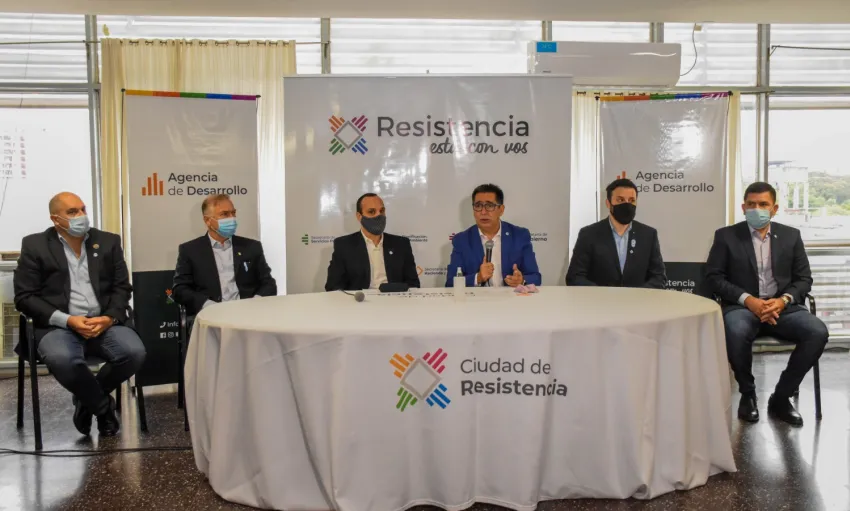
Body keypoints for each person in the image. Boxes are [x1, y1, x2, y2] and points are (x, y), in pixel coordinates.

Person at [14, 192, 146, 437]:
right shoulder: (35, 245)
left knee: (134, 353)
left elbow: (121, 288)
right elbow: (25, 297)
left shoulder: (108, 241)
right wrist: (68, 320)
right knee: (63, 359)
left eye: (83, 209)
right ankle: (102, 408)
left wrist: (109, 318)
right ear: (55, 219)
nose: (81, 215)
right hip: (57, 326)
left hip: (103, 322)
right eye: (72, 212)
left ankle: (86, 398)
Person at [705, 181, 828, 427]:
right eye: (751, 204)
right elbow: (714, 277)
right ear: (743, 207)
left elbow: (804, 279)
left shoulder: (791, 236)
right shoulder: (726, 236)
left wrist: (782, 301)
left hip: (783, 308)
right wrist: (748, 300)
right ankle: (748, 393)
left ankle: (781, 397)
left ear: (774, 208)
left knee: (817, 332)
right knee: (735, 330)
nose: (757, 209)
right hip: (742, 307)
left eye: (763, 204)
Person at [173, 194, 277, 316]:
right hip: (210, 315)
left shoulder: (251, 247)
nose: (232, 218)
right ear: (208, 221)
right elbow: (180, 289)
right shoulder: (190, 250)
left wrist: (255, 303)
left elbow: (269, 284)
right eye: (225, 214)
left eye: (233, 213)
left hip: (248, 314)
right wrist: (207, 305)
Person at [566, 178, 666, 288]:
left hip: (638, 299)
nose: (627, 204)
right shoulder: (588, 234)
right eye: (620, 200)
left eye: (631, 200)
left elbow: (659, 277)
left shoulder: (648, 235)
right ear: (608, 203)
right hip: (599, 299)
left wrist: (637, 294)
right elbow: (575, 277)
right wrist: (603, 294)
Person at [446, 184, 541, 287]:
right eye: (478, 206)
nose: (483, 212)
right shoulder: (462, 240)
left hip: (510, 296)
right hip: (477, 297)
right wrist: (477, 278)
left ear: (501, 209)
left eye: (489, 206)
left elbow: (535, 277)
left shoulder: (520, 236)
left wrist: (522, 280)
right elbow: (450, 283)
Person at [325, 193, 420, 291]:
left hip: (394, 298)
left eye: (381, 211)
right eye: (371, 212)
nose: (379, 215)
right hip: (359, 299)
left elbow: (413, 284)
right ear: (359, 216)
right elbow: (333, 286)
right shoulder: (344, 245)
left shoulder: (401, 244)